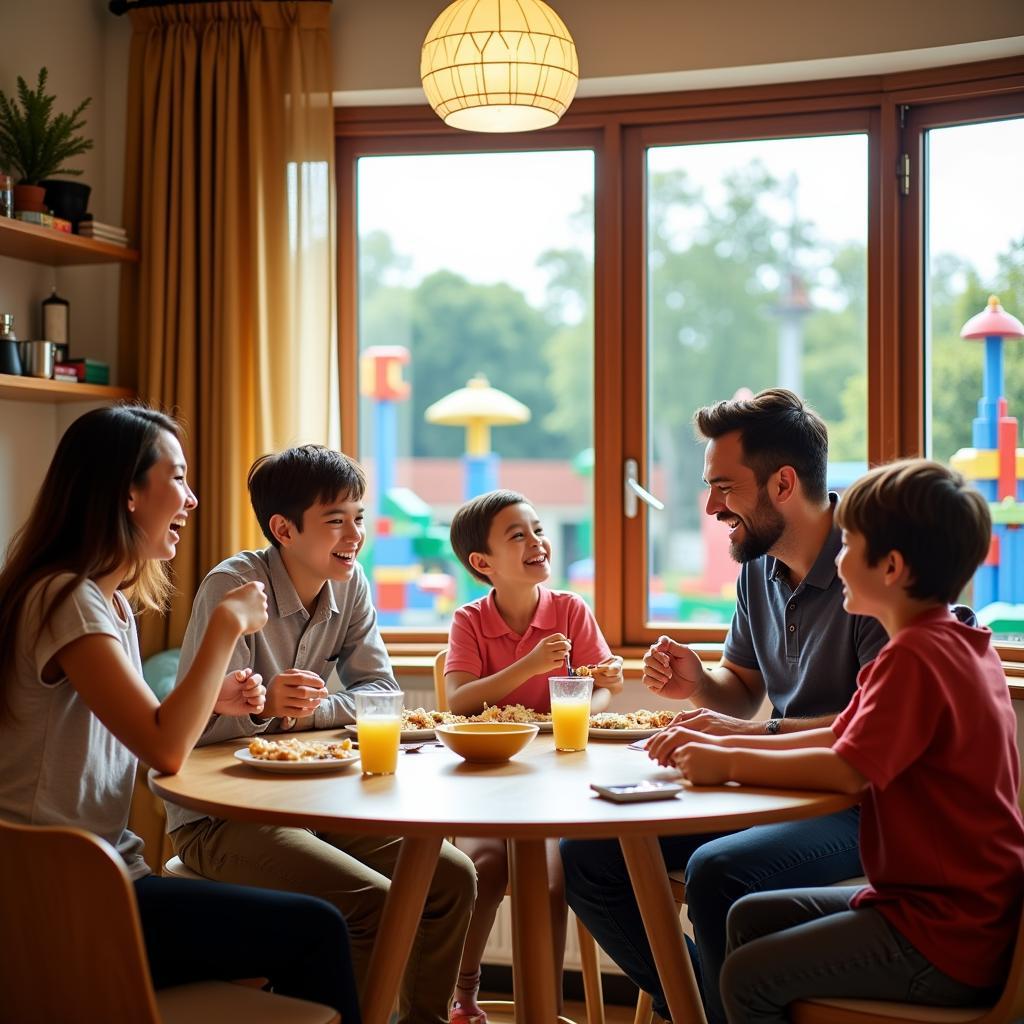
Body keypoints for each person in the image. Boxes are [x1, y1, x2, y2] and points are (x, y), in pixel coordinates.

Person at [0, 405, 360, 1020]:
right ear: (128, 493)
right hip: (59, 896)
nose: (191, 501)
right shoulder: (68, 600)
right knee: (317, 930)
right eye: (178, 479)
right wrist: (224, 626)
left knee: (297, 931)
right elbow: (164, 749)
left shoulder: (103, 603)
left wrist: (208, 700)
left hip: (103, 878)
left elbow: (136, 723)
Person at [561, 388, 889, 1024]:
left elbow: (873, 725)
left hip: (859, 801)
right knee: (588, 854)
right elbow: (739, 688)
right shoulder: (757, 566)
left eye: (724, 487)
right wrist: (698, 683)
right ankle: (704, 1007)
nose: (709, 506)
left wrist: (754, 733)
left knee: (717, 872)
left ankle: (717, 1007)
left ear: (784, 483)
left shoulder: (873, 565)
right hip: (772, 785)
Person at [665, 459, 1024, 1023]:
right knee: (747, 919)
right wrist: (731, 745)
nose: (836, 557)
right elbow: (842, 733)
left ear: (890, 567)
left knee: (745, 976)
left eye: (848, 544)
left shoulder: (915, 657)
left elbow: (847, 769)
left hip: (944, 935)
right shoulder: (947, 641)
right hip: (944, 910)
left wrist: (727, 760)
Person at [164, 443, 475, 1024]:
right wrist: (262, 712)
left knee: (452, 877)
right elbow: (198, 716)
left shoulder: (350, 585)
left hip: (307, 801)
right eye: (336, 521)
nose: (354, 536)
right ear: (283, 528)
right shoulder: (233, 589)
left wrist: (303, 713)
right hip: (220, 816)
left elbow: (382, 695)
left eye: (358, 518)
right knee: (373, 905)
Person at [445, 489, 624, 1023]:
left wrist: (600, 688)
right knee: (484, 867)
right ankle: (464, 993)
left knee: (549, 879)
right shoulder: (469, 621)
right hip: (488, 775)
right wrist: (528, 665)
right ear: (483, 563)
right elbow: (458, 699)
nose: (537, 542)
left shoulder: (570, 610)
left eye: (538, 529)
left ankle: (540, 1008)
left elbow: (601, 688)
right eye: (517, 535)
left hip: (556, 775)